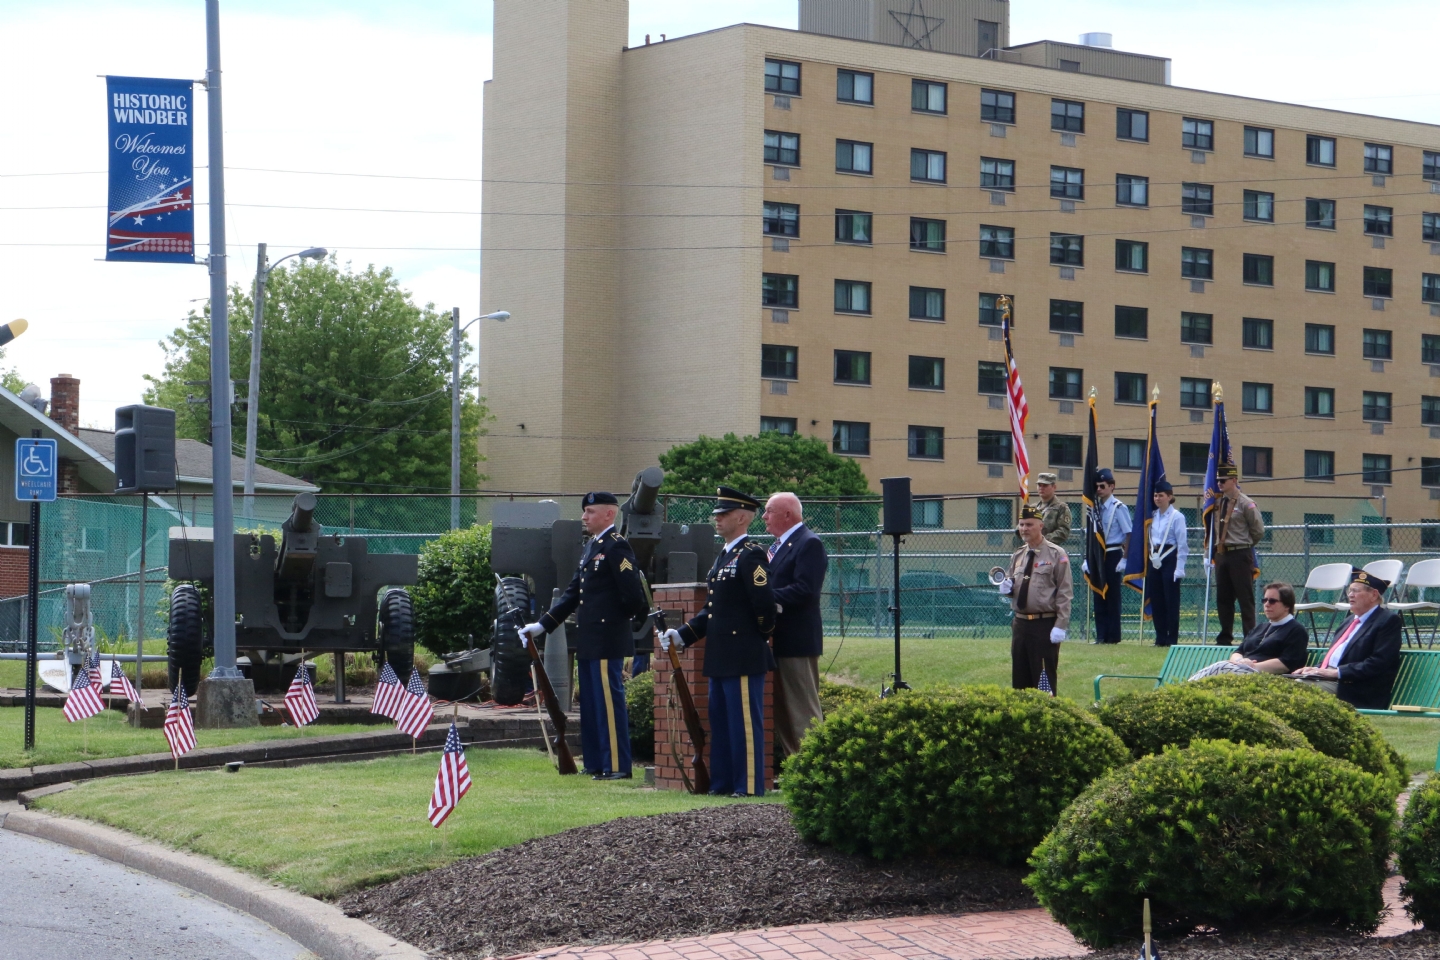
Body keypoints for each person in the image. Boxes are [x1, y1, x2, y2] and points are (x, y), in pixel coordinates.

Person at [520, 491, 647, 780]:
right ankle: (595, 763)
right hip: (590, 638)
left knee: (608, 704)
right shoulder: (592, 547)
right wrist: (543, 625)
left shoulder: (617, 547)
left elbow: (633, 597)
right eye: (584, 511)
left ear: (609, 514)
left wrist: (612, 621)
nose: (584, 517)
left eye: (590, 511)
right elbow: (573, 593)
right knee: (590, 705)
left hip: (607, 637)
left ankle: (616, 765)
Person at [659, 487, 775, 796]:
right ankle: (722, 785)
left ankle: (748, 786)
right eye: (717, 514)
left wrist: (755, 640)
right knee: (721, 726)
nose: (717, 519)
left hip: (742, 655)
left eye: (723, 514)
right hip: (721, 655)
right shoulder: (723, 557)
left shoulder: (751, 554)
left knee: (744, 726)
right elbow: (712, 611)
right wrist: (682, 634)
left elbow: (764, 607)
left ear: (741, 517)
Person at [761, 491, 828, 766]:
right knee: (783, 712)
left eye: (768, 511)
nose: (764, 517)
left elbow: (805, 589)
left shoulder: (808, 543)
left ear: (787, 514)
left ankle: (816, 769)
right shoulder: (778, 546)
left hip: (797, 642)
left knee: (802, 711)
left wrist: (763, 598)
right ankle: (796, 769)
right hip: (777, 640)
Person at [1292, 568, 1402, 709]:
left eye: (1356, 591)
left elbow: (1379, 663)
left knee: (1298, 688)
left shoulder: (1388, 621)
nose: (1350, 595)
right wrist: (1314, 669)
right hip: (1331, 680)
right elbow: (1335, 657)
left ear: (1374, 595)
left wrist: (1336, 672)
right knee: (1284, 683)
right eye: (1349, 591)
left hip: (1356, 689)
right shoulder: (1348, 621)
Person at [998, 503, 1073, 692]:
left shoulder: (1057, 554)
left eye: (1029, 524)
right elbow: (1015, 585)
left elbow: (1065, 592)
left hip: (1044, 625)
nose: (1024, 529)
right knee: (1020, 679)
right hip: (1020, 624)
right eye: (1021, 525)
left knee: (1043, 681)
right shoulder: (1018, 555)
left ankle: (1046, 715)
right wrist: (1007, 588)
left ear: (1041, 526)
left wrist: (1060, 625)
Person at [1187, 582, 1309, 679]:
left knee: (1221, 666)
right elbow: (1238, 651)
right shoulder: (1261, 627)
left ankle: (1182, 691)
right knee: (1221, 667)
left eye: (1272, 601)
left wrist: (1252, 666)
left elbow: (1285, 664)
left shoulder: (1296, 630)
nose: (1267, 604)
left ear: (1287, 605)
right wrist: (1240, 661)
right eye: (1264, 600)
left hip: (1269, 678)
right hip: (1241, 671)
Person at [1209, 464, 1265, 644]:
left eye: (1223, 480)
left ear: (1234, 480)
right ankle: (1225, 636)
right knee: (1223, 598)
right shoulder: (1217, 503)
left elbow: (1258, 530)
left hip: (1240, 553)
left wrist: (1245, 545)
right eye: (1218, 480)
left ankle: (1250, 637)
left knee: (1245, 598)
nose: (1219, 483)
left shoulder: (1245, 503)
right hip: (1221, 554)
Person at [1087, 468, 1131, 643]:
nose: (1099, 489)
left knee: (1112, 597)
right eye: (1096, 486)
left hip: (1113, 554)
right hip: (1098, 555)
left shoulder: (1118, 507)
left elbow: (1129, 534)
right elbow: (1090, 535)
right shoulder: (1095, 509)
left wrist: (1125, 558)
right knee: (1099, 595)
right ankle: (1101, 636)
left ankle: (1113, 637)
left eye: (1102, 486)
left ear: (1112, 486)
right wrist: (1086, 558)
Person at [1145, 480, 1188, 646]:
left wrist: (1179, 568)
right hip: (1154, 557)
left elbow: (1182, 544)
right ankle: (1160, 637)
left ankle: (1172, 638)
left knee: (1171, 601)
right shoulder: (1153, 516)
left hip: (1170, 557)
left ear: (1170, 497)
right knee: (1157, 600)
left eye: (1161, 495)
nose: (1157, 498)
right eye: (1155, 495)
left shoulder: (1177, 517)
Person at [1036, 473, 1071, 544]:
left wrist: (1042, 540)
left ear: (1054, 487)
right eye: (1039, 485)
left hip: (1051, 549)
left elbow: (1063, 531)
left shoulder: (1061, 508)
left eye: (1045, 485)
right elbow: (1020, 529)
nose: (1041, 488)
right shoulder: (1033, 508)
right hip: (1031, 548)